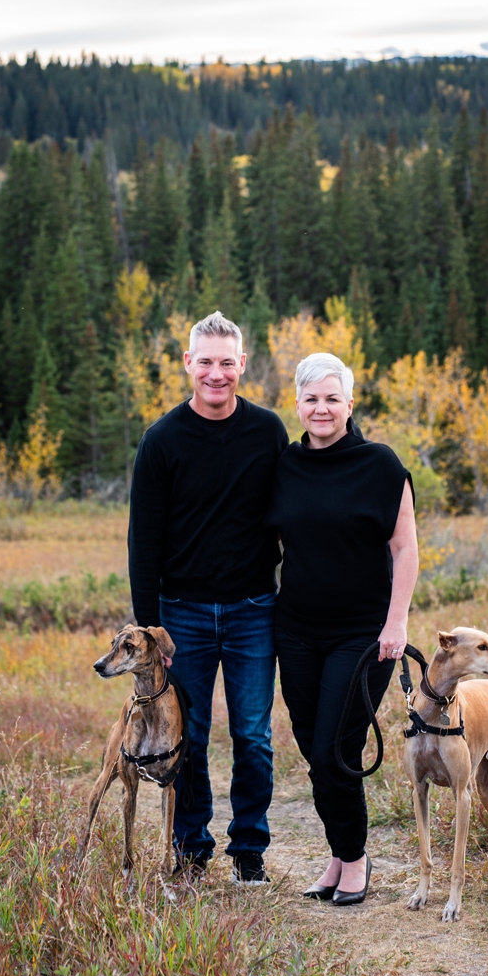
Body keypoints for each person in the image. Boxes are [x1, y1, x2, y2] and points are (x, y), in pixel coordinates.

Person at [127, 311, 287, 885]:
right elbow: (143, 541)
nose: (216, 374)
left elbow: (293, 511)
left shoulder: (268, 432)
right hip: (183, 617)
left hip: (252, 611)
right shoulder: (162, 441)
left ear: (242, 365)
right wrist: (151, 633)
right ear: (188, 364)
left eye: (227, 363)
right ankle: (191, 849)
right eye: (206, 362)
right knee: (185, 733)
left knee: (253, 733)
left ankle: (249, 850)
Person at [269, 351, 418, 906]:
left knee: (338, 745)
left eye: (333, 398)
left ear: (349, 405)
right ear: (299, 405)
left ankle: (354, 860)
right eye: (311, 398)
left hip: (363, 635)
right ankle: (337, 853)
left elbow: (404, 548)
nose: (322, 408)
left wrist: (396, 621)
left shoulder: (380, 464)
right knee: (314, 747)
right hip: (297, 630)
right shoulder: (284, 466)